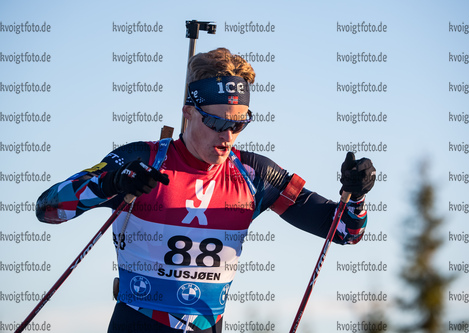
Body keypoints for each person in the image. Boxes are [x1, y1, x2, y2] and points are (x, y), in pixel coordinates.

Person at [36, 47, 376, 333]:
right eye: (216, 122)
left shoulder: (254, 175)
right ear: (188, 114)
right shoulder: (142, 159)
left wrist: (356, 193)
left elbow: (345, 230)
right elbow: (48, 208)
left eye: (239, 123)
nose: (227, 136)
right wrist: (111, 183)